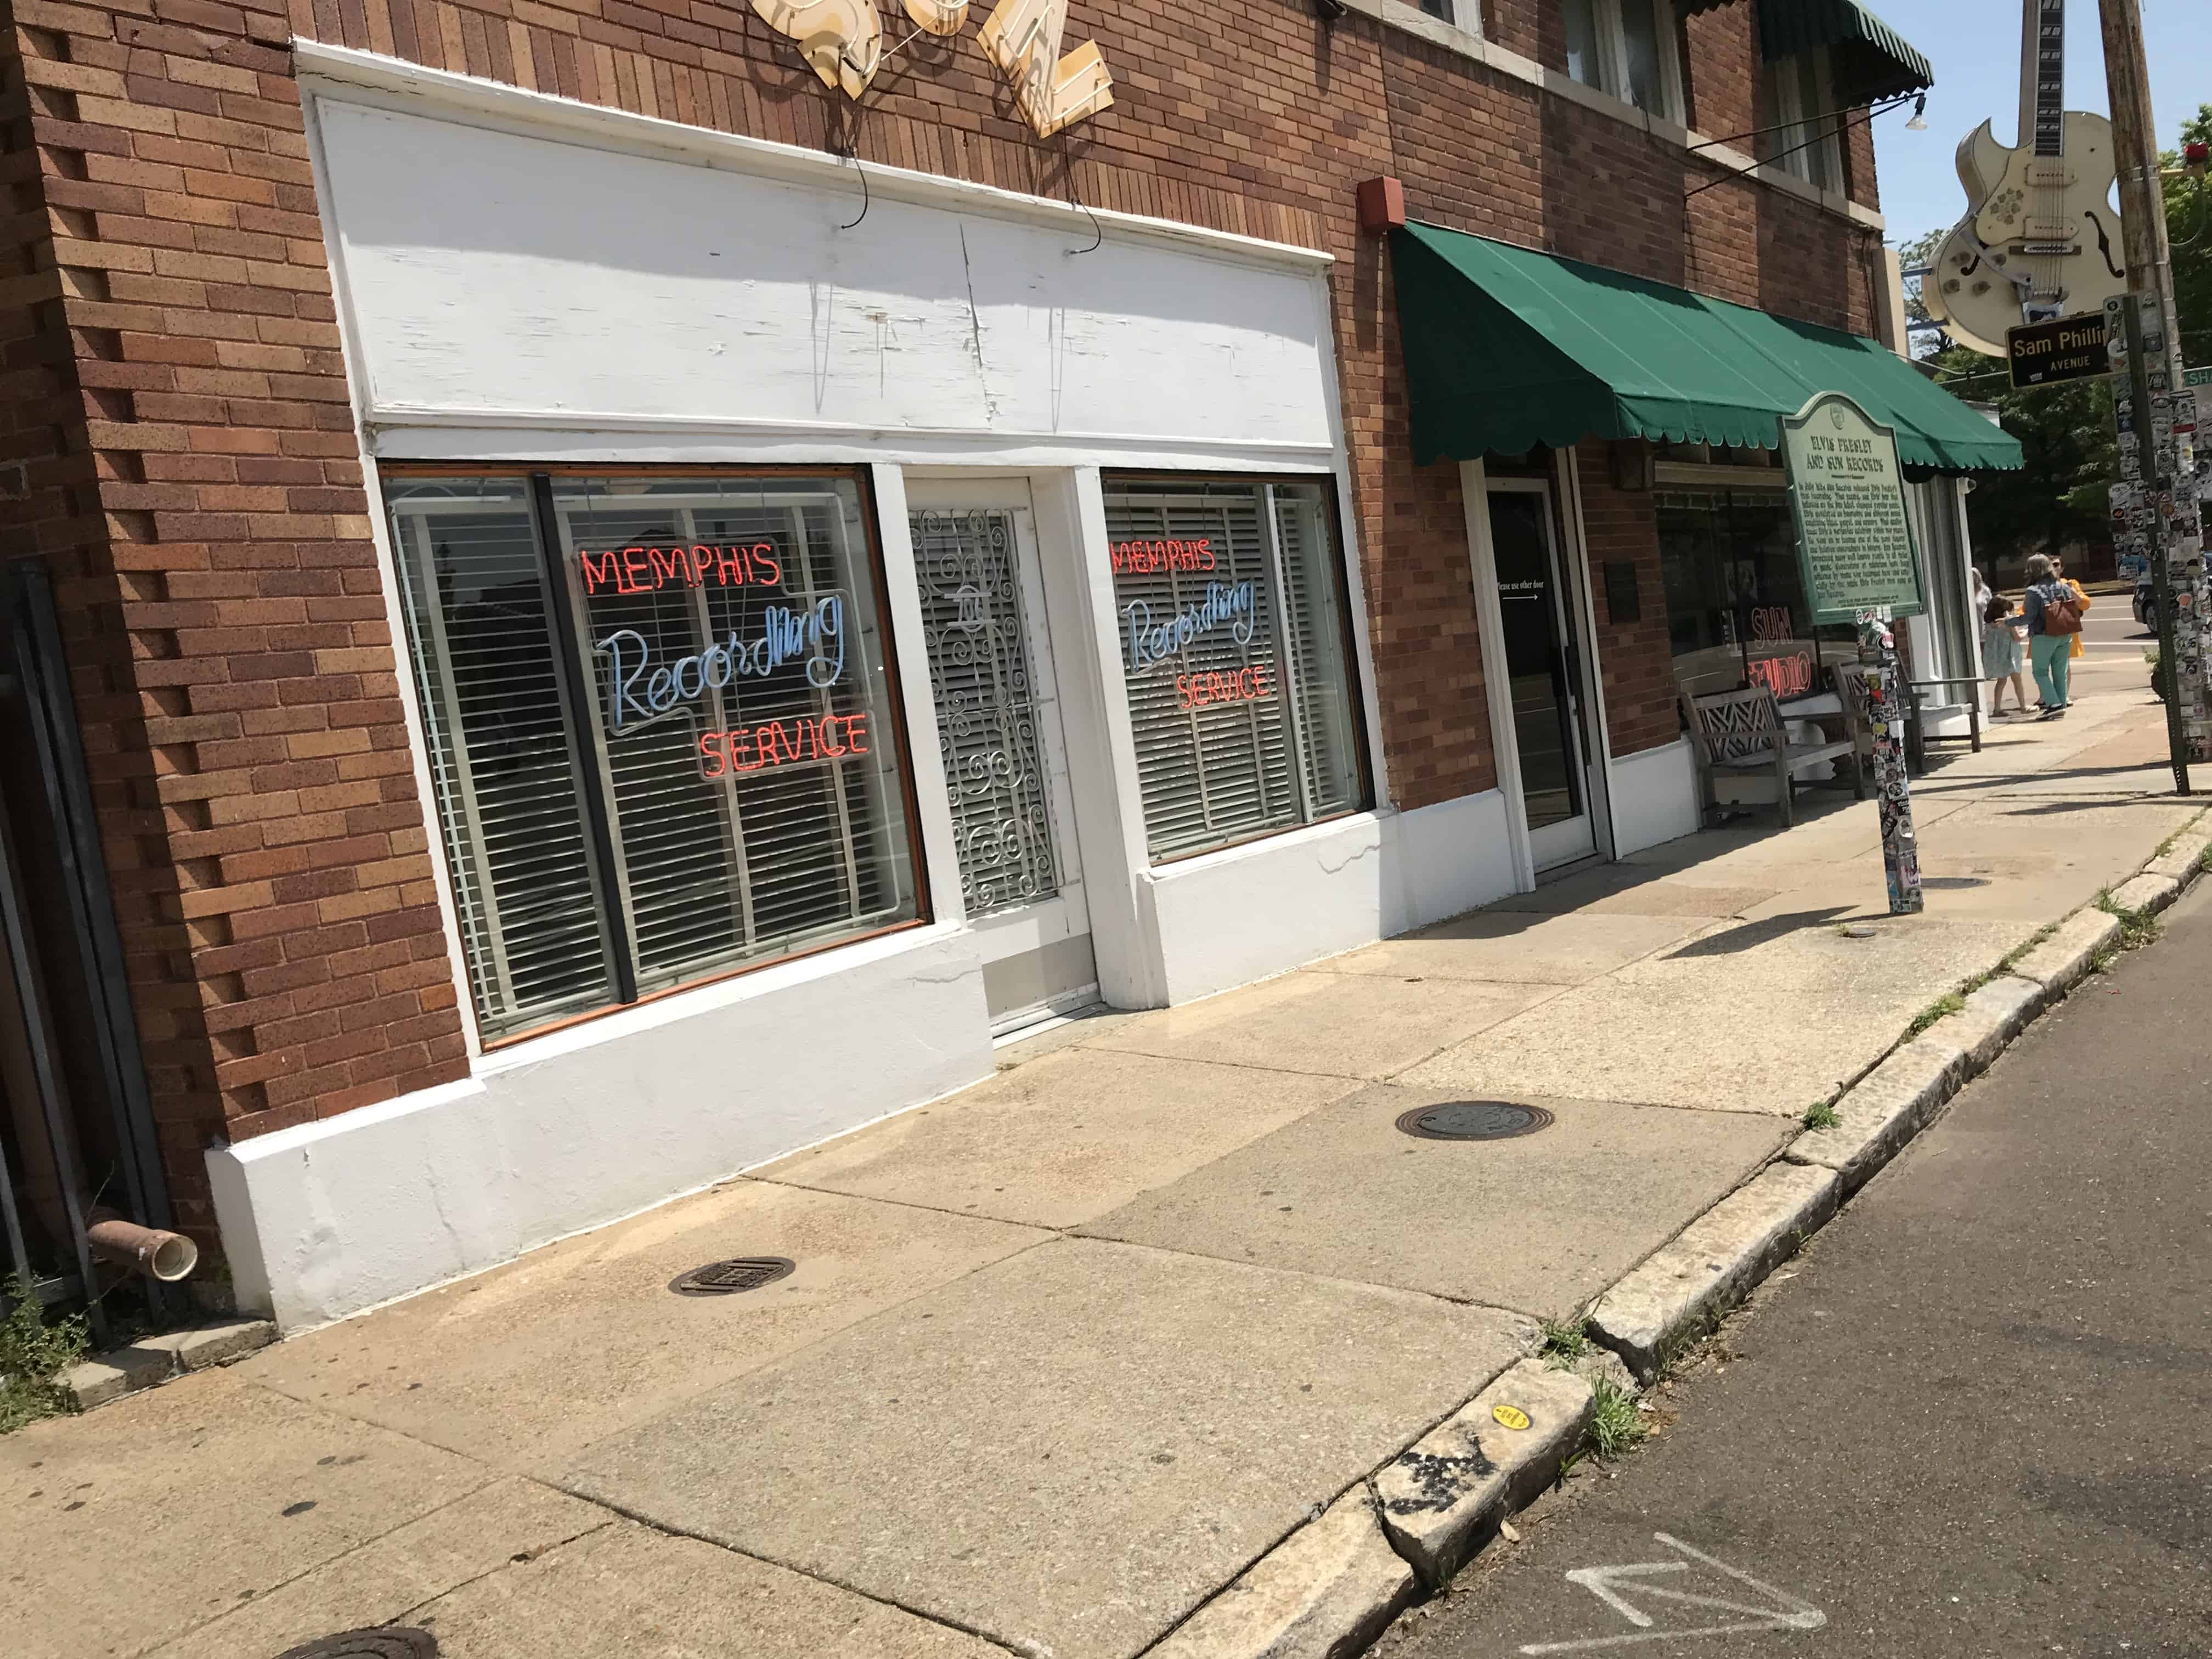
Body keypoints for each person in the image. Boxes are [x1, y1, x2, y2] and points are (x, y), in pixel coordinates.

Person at [2022, 553, 2080, 716]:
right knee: (2060, 672)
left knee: (2040, 672)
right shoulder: (2063, 586)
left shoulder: (2033, 591)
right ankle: (2061, 704)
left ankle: (2054, 704)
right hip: (2065, 633)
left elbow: (2029, 617)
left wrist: (2008, 621)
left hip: (2043, 635)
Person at [1982, 589, 2029, 716]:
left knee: (2001, 681)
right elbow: (2017, 637)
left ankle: (1997, 708)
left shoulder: (1989, 624)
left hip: (1999, 656)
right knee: (2017, 681)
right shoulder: (2008, 623)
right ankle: (2023, 706)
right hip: (2011, 654)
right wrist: (2027, 631)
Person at [2052, 556, 2092, 661]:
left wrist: (2072, 592)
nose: (2052, 567)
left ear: (2062, 568)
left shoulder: (2070, 584)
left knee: (2064, 666)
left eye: (2056, 564)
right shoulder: (2039, 587)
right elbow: (2025, 609)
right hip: (2046, 632)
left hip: (2066, 629)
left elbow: (2085, 605)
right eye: (2049, 565)